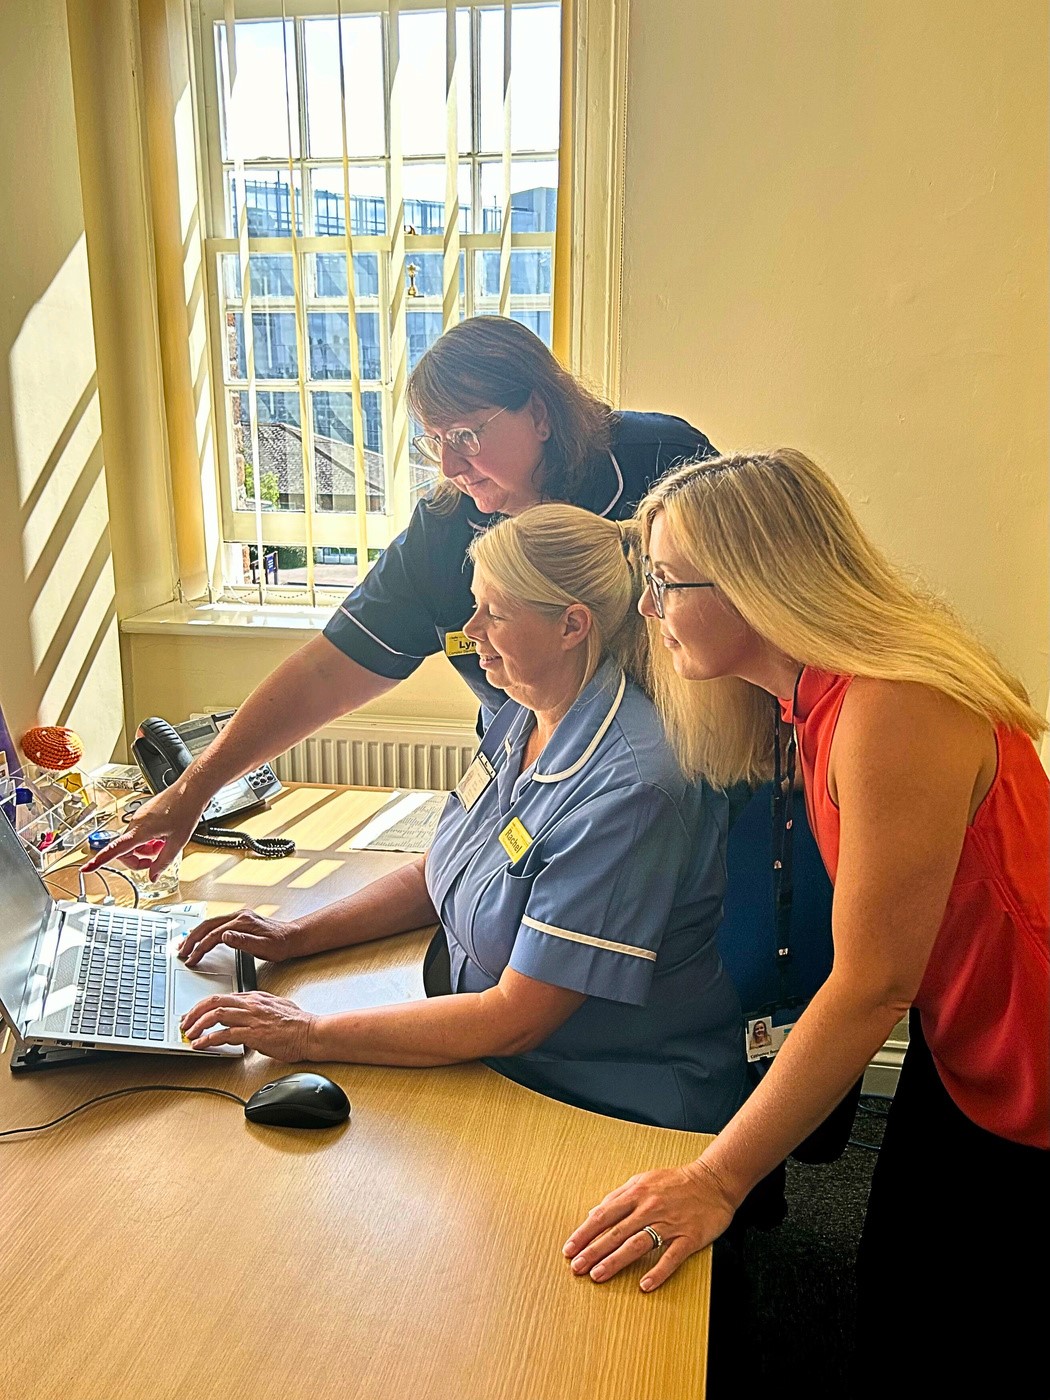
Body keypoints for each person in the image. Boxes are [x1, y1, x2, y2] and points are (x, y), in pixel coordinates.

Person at [560, 450, 1048, 1390]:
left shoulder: (890, 707)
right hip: (969, 1041)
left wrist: (716, 1178)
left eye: (664, 583)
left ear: (759, 585)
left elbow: (873, 986)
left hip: (1029, 1056)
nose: (649, 611)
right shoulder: (814, 701)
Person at [178, 504, 748, 1134]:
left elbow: (516, 1017)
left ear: (571, 625)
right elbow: (444, 869)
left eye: (494, 614)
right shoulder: (522, 711)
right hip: (488, 1043)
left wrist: (308, 1033)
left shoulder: (629, 790)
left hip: (601, 1092)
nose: (469, 629)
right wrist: (297, 935)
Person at [84, 317, 716, 882]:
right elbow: (329, 670)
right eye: (431, 440)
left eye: (466, 435)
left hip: (682, 781)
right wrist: (194, 789)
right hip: (534, 793)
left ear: (541, 414)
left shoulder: (658, 458)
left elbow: (757, 592)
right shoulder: (442, 537)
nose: (448, 464)